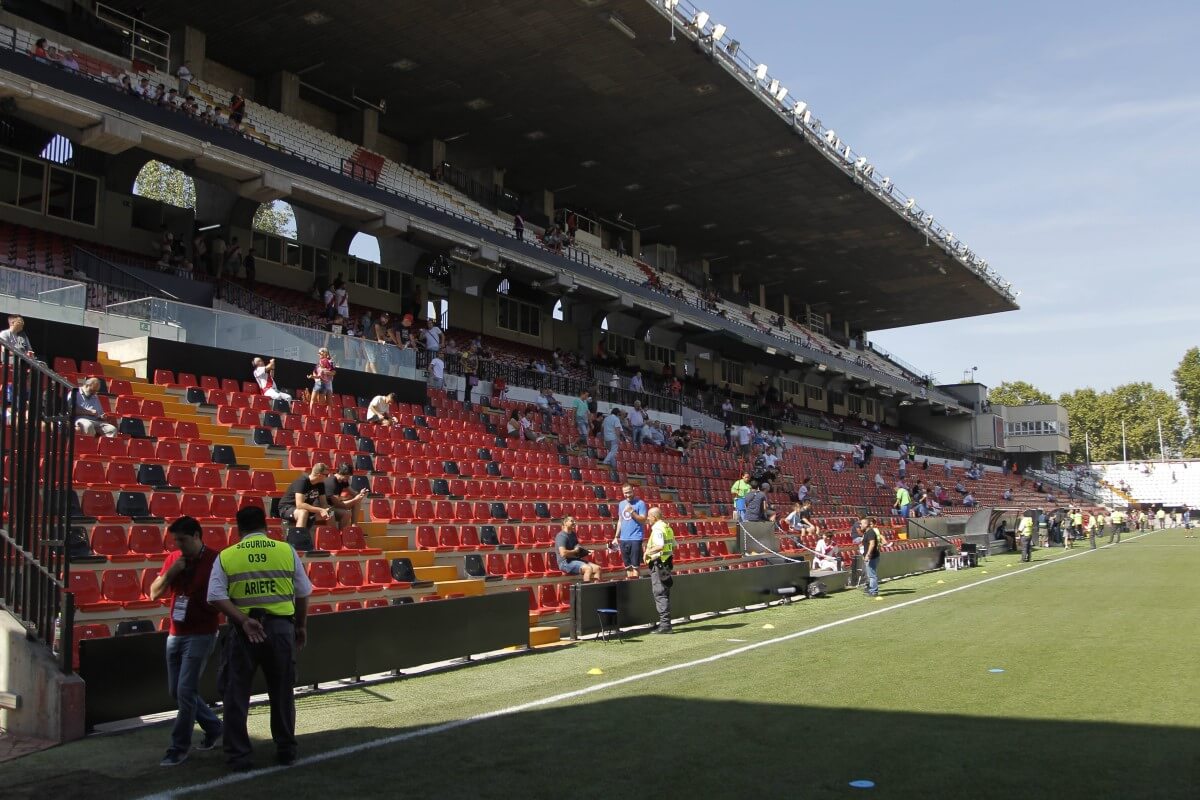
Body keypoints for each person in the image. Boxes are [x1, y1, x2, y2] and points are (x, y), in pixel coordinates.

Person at [207, 505, 311, 770]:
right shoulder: (285, 550)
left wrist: (242, 620)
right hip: (280, 630)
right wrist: (300, 626)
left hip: (243, 633)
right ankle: (286, 748)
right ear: (266, 526)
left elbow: (215, 596)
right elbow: (302, 592)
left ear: (238, 529)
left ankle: (238, 756)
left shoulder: (226, 556)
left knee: (236, 695)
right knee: (282, 692)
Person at [149, 516, 222, 766]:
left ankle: (178, 747)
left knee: (185, 690)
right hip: (176, 632)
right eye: (175, 540)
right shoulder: (174, 559)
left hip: (202, 633)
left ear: (197, 536)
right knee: (177, 691)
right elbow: (153, 592)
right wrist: (172, 572)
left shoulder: (215, 561)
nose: (178, 545)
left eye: (182, 540)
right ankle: (214, 727)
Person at [643, 506, 676, 633]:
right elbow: (674, 546)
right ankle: (665, 623)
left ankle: (665, 625)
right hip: (666, 564)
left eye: (649, 516)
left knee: (660, 593)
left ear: (654, 517)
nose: (647, 518)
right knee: (664, 593)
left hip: (659, 565)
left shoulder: (657, 528)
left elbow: (659, 546)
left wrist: (647, 553)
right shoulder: (667, 527)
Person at [278, 463, 332, 532]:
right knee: (303, 512)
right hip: (287, 508)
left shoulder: (320, 484)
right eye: (326, 475)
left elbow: (323, 503)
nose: (328, 477)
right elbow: (300, 505)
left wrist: (326, 509)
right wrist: (320, 510)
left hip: (304, 509)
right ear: (319, 475)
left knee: (331, 513)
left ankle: (332, 538)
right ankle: (299, 537)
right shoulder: (302, 481)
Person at [612, 483, 648, 580]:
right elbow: (620, 521)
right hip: (624, 539)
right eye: (625, 493)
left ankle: (636, 588)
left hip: (635, 538)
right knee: (628, 567)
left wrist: (632, 512)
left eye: (629, 492)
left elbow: (643, 520)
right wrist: (616, 537)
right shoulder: (621, 504)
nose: (627, 495)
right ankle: (630, 585)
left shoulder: (640, 503)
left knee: (635, 566)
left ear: (633, 490)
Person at [322, 464, 369, 530]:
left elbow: (353, 493)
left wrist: (360, 493)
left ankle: (352, 527)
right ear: (341, 473)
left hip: (333, 505)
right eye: (347, 476)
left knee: (349, 511)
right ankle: (334, 534)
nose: (348, 478)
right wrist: (355, 499)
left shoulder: (343, 480)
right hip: (326, 508)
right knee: (331, 513)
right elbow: (340, 504)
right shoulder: (332, 483)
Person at [555, 516, 600, 582]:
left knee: (598, 568)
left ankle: (595, 589)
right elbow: (563, 553)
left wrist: (585, 551)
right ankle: (586, 590)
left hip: (575, 560)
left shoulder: (573, 534)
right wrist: (575, 551)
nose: (574, 522)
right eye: (572, 521)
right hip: (565, 563)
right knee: (588, 568)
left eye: (574, 521)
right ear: (565, 523)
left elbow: (577, 546)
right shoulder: (561, 536)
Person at [860, 517, 881, 597]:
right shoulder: (867, 532)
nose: (860, 525)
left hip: (872, 557)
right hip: (871, 556)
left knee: (872, 575)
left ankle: (874, 591)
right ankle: (872, 590)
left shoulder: (870, 532)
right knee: (871, 574)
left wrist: (868, 555)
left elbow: (872, 544)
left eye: (861, 524)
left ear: (866, 524)